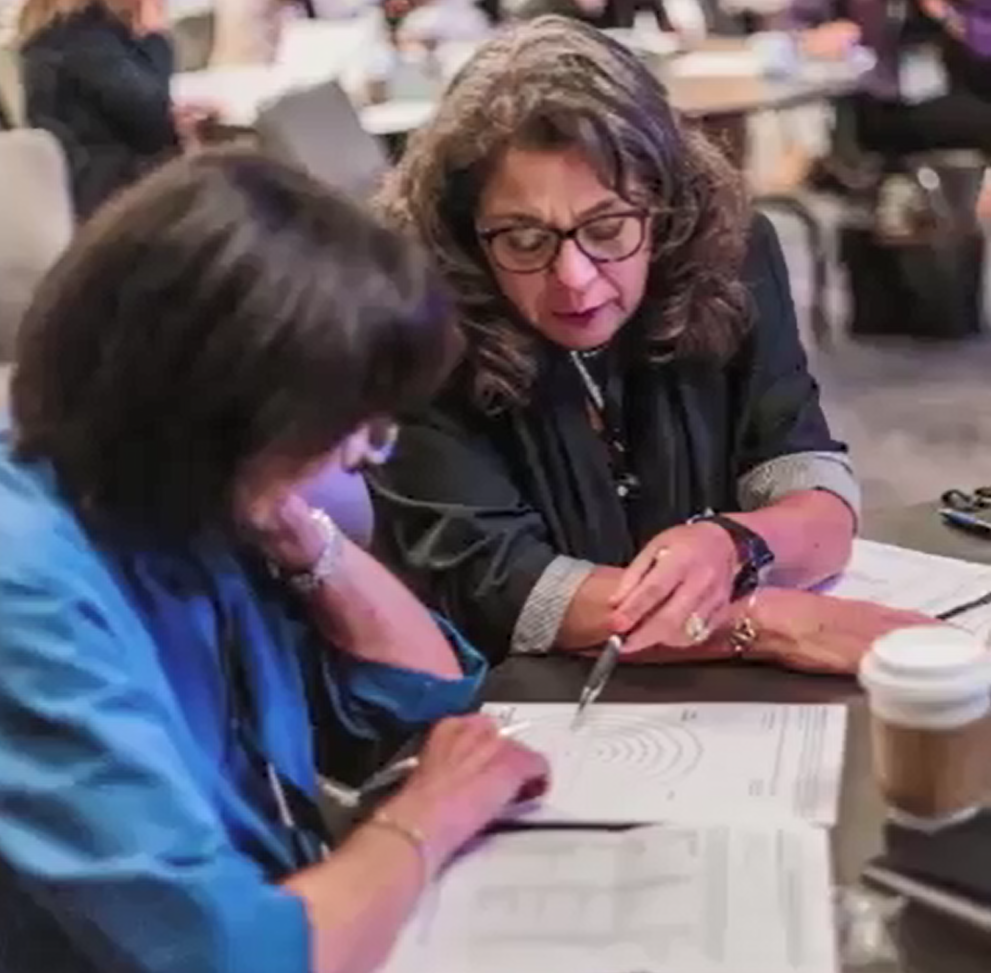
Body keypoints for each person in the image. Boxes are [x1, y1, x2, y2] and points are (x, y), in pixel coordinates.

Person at [0, 149, 548, 973]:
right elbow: (235, 956)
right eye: (343, 420)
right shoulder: (28, 586)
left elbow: (435, 693)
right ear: (217, 407)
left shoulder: (185, 505)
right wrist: (429, 815)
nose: (363, 453)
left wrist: (306, 535)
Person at [369, 15, 924, 674]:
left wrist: (736, 543)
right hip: (518, 700)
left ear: (666, 208)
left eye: (607, 227)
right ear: (465, 234)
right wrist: (759, 620)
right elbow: (504, 586)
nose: (573, 279)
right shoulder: (413, 318)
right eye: (522, 237)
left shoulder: (733, 253)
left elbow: (811, 483)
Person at [17, 0, 183, 217]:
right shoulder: (85, 37)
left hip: (78, 192)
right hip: (112, 199)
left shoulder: (53, 34)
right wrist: (155, 36)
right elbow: (153, 122)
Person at [794, 0, 991, 159]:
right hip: (874, 102)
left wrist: (948, 16)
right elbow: (796, 30)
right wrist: (818, 37)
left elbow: (981, 41)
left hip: (949, 85)